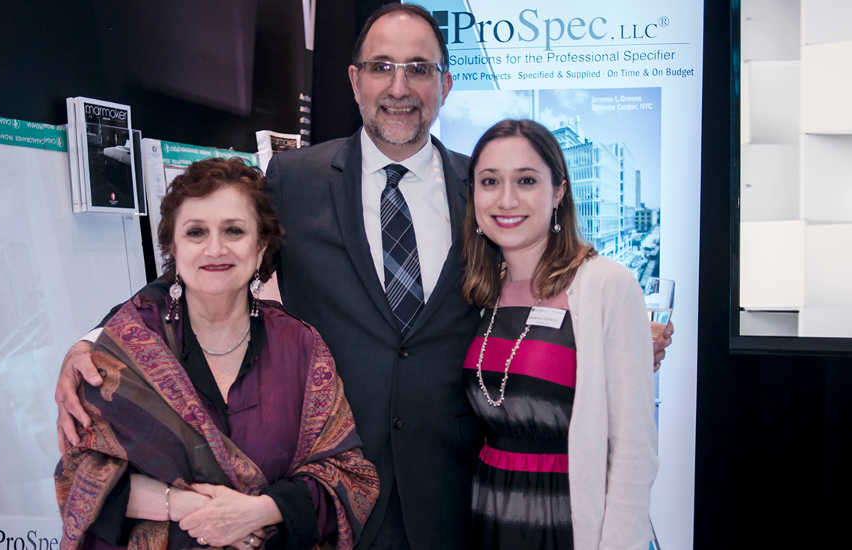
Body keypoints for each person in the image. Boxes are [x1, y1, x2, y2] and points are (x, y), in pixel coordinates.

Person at [55, 5, 672, 549]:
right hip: (337, 496)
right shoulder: (295, 180)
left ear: (445, 84)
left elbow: (538, 286)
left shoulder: (484, 190)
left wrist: (606, 338)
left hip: (462, 500)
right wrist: (94, 340)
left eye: (419, 69)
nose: (399, 87)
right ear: (354, 81)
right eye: (381, 67)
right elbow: (209, 267)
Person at [54, 158, 379, 550]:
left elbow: (350, 477)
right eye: (196, 232)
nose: (215, 248)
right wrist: (187, 506)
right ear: (173, 247)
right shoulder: (126, 346)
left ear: (260, 246)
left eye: (234, 230)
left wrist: (260, 511)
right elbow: (79, 474)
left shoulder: (301, 347)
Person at [461, 119, 657, 549]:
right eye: (490, 181)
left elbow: (634, 451)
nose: (506, 199)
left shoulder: (606, 285)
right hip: (486, 517)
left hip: (563, 523)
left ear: (558, 193)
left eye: (526, 180)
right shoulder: (480, 293)